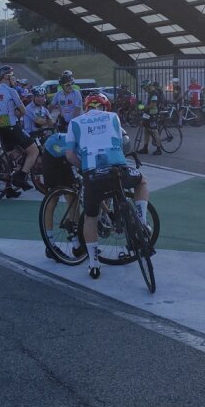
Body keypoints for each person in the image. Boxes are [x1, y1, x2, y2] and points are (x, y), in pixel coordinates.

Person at [64, 92, 152, 279]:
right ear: (105, 107)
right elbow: (119, 145)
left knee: (90, 217)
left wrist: (83, 168)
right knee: (142, 181)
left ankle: (94, 264)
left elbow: (70, 155)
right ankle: (142, 221)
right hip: (117, 171)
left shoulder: (75, 123)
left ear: (86, 108)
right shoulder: (113, 117)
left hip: (93, 174)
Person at [0, 64, 39, 195]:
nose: (13, 78)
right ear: (5, 77)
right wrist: (16, 113)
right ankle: (21, 176)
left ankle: (8, 189)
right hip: (11, 126)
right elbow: (22, 111)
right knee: (33, 150)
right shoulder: (11, 91)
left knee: (10, 157)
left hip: (0, 127)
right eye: (11, 76)